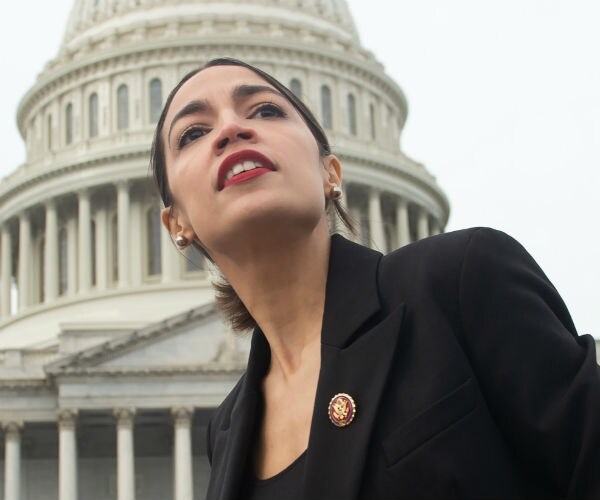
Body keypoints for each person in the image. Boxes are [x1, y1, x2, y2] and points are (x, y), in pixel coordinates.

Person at [151, 57, 600, 499]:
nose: (231, 128)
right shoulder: (226, 432)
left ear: (330, 172)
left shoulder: (461, 281)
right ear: (177, 224)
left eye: (265, 110)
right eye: (193, 133)